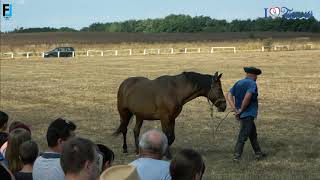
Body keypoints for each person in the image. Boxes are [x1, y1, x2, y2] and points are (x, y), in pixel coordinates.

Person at [226, 67, 267, 161]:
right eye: (256, 76)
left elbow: (228, 95)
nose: (257, 78)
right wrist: (241, 110)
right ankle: (236, 157)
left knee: (252, 134)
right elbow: (248, 97)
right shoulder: (252, 84)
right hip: (247, 114)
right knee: (243, 135)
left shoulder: (239, 82)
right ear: (252, 75)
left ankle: (258, 153)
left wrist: (234, 109)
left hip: (243, 114)